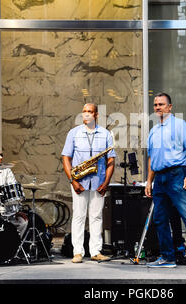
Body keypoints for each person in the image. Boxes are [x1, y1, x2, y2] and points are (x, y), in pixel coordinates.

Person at [145, 92, 186, 269]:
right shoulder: (153, 131)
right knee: (160, 219)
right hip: (159, 179)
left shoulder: (180, 125)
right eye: (155, 104)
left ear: (170, 107)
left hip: (177, 175)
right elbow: (152, 158)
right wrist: (149, 181)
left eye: (161, 104)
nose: (158, 107)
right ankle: (167, 258)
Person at [62, 103, 116, 263]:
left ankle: (95, 251)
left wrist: (106, 182)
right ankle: (77, 252)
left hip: (98, 182)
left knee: (96, 217)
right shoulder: (74, 133)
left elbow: (111, 160)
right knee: (79, 216)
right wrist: (72, 181)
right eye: (84, 112)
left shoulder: (105, 134)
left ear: (96, 114)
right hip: (79, 181)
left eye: (90, 112)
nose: (86, 114)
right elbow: (66, 157)